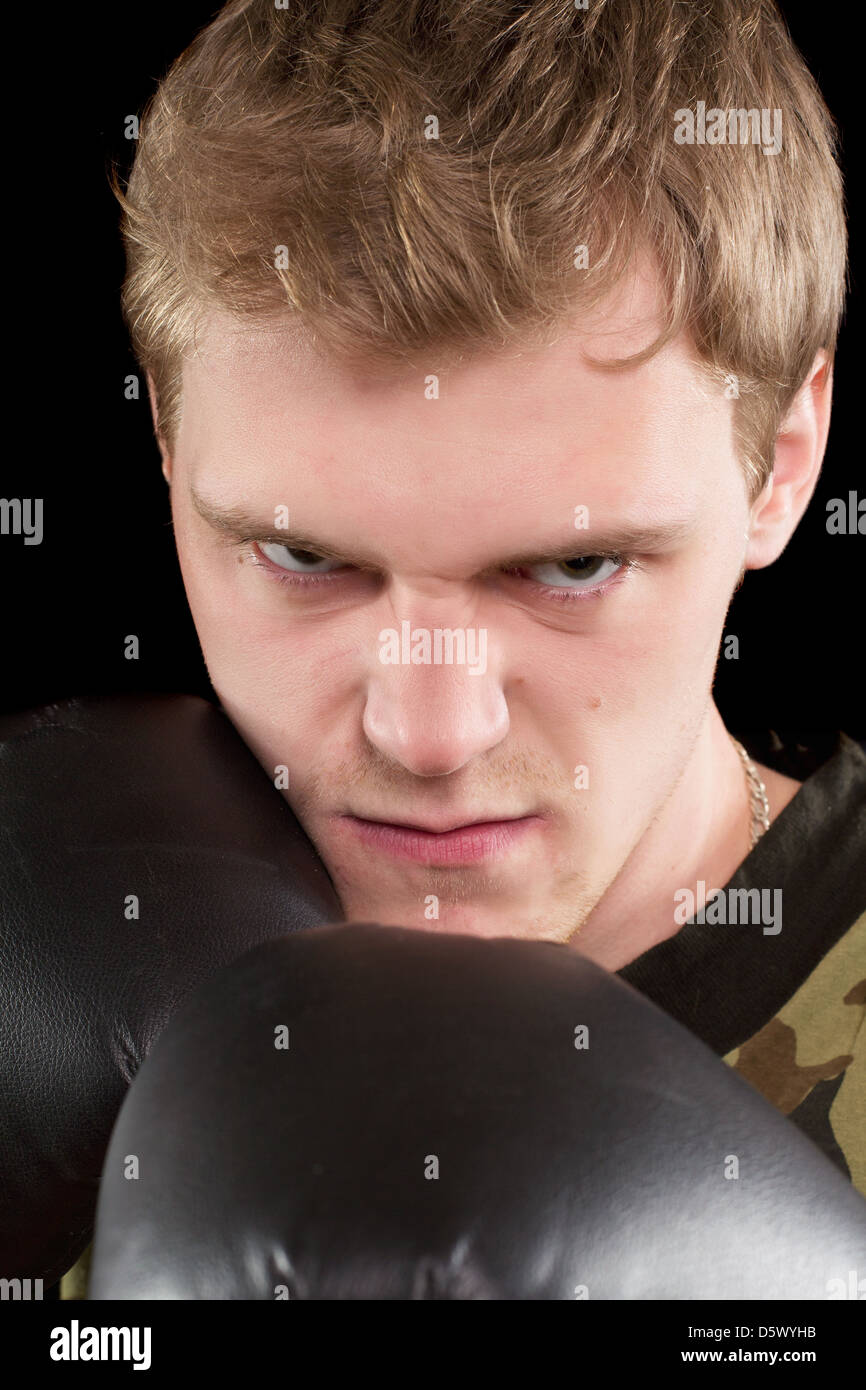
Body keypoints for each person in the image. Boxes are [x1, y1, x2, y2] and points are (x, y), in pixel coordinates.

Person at [58, 0, 864, 1298]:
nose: (429, 736)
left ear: (778, 466)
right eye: (306, 559)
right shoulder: (58, 1005)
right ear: (164, 438)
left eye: (571, 566)